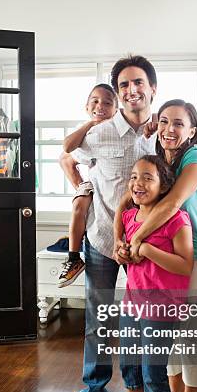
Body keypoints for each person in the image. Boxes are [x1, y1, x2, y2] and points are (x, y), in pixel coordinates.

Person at [60, 55, 158, 392]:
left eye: (138, 83)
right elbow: (66, 153)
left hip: (144, 245)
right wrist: (81, 189)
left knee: (144, 319)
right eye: (124, 85)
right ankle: (95, 388)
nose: (132, 90)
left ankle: (148, 391)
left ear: (152, 88)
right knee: (98, 318)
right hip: (102, 239)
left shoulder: (160, 134)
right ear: (119, 93)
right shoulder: (98, 133)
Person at [114, 99, 197, 392]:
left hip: (196, 256)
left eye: (178, 123)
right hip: (158, 262)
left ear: (192, 130)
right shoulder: (161, 161)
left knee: (193, 334)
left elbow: (173, 203)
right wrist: (122, 240)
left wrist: (136, 240)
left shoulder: (196, 157)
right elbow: (127, 202)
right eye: (164, 122)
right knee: (165, 333)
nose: (169, 129)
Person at [107, 155, 193, 392]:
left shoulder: (176, 218)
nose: (138, 183)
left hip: (161, 307)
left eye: (147, 177)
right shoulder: (130, 216)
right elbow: (128, 260)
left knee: (153, 371)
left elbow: (185, 265)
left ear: (163, 185)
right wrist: (123, 252)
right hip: (132, 302)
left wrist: (147, 250)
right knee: (129, 367)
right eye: (133, 177)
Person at [58, 84, 118, 287]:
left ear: (116, 110)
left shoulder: (120, 132)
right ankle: (74, 258)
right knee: (79, 205)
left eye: (107, 102)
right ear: (86, 106)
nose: (100, 105)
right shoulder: (86, 132)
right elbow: (65, 154)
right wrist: (81, 187)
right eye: (95, 101)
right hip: (91, 183)